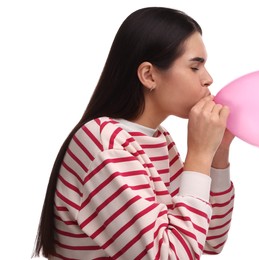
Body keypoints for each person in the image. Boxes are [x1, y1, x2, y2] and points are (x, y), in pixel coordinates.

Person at [33, 6, 235, 259]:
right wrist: (199, 155)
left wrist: (217, 153)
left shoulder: (160, 140)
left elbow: (210, 240)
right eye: (195, 67)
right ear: (149, 75)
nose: (208, 79)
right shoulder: (105, 144)